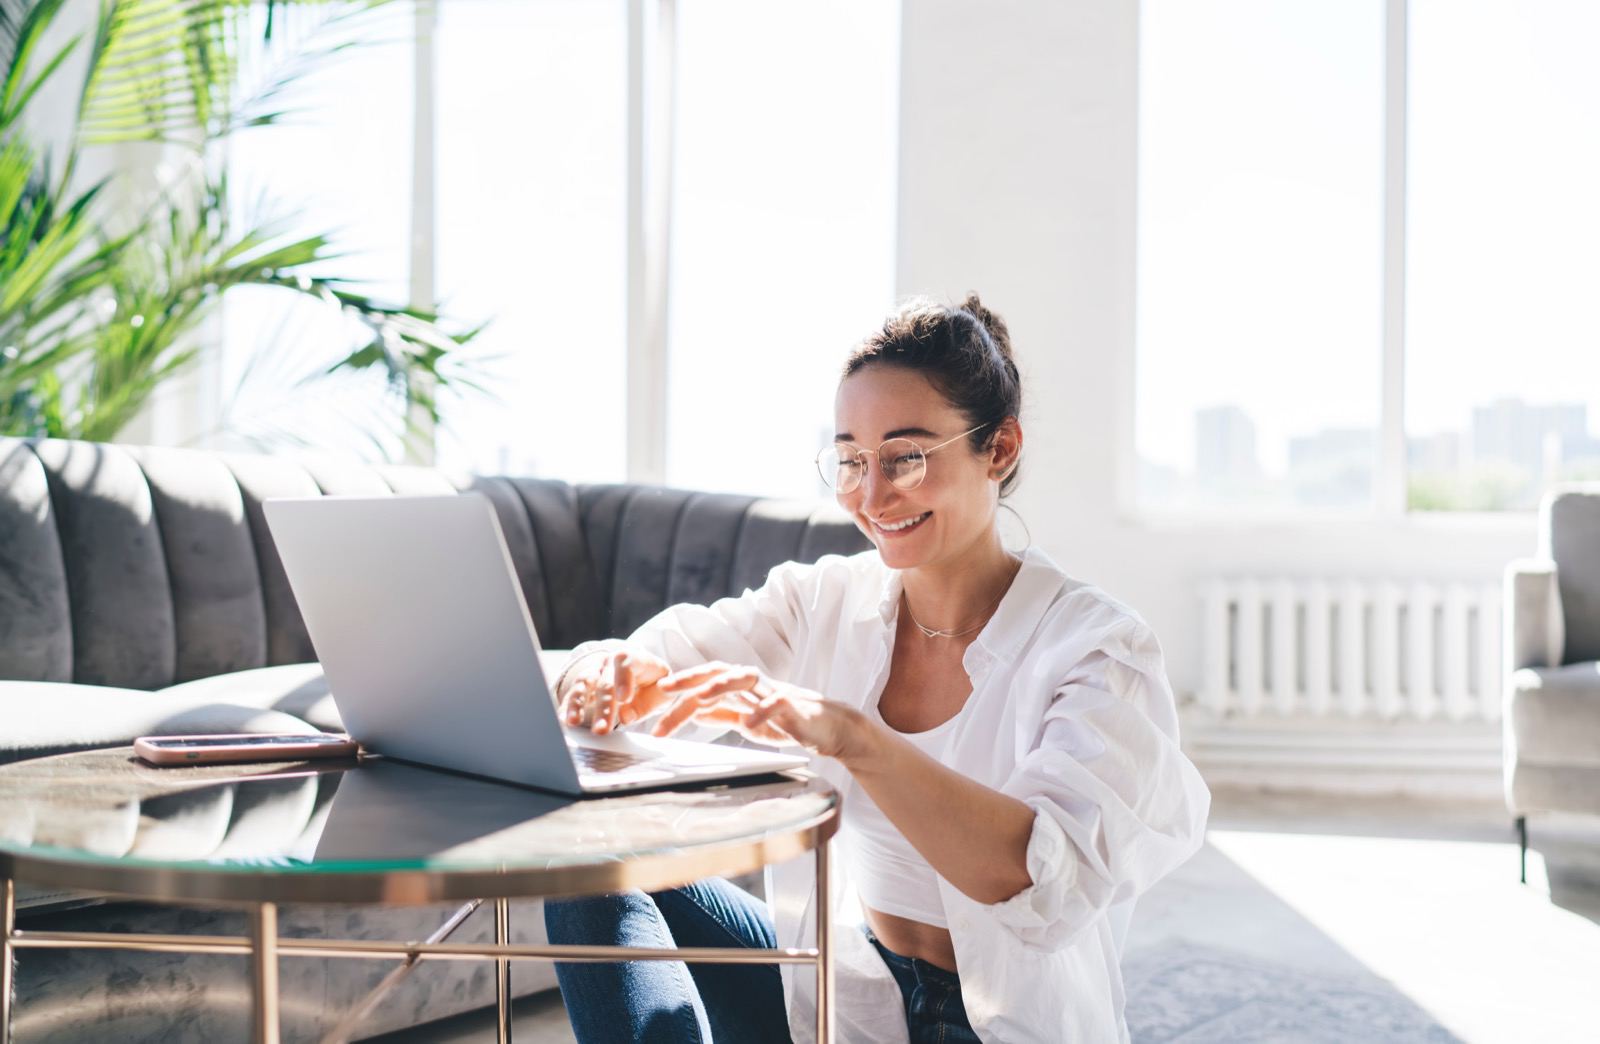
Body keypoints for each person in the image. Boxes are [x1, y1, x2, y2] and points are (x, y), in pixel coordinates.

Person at [545, 293, 1212, 1044]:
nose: (870, 495)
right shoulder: (824, 597)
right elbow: (654, 657)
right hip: (849, 991)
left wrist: (850, 736)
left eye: (905, 457)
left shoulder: (1099, 648)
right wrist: (603, 670)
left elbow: (1026, 877)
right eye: (853, 459)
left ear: (999, 449)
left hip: (993, 1022)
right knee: (588, 869)